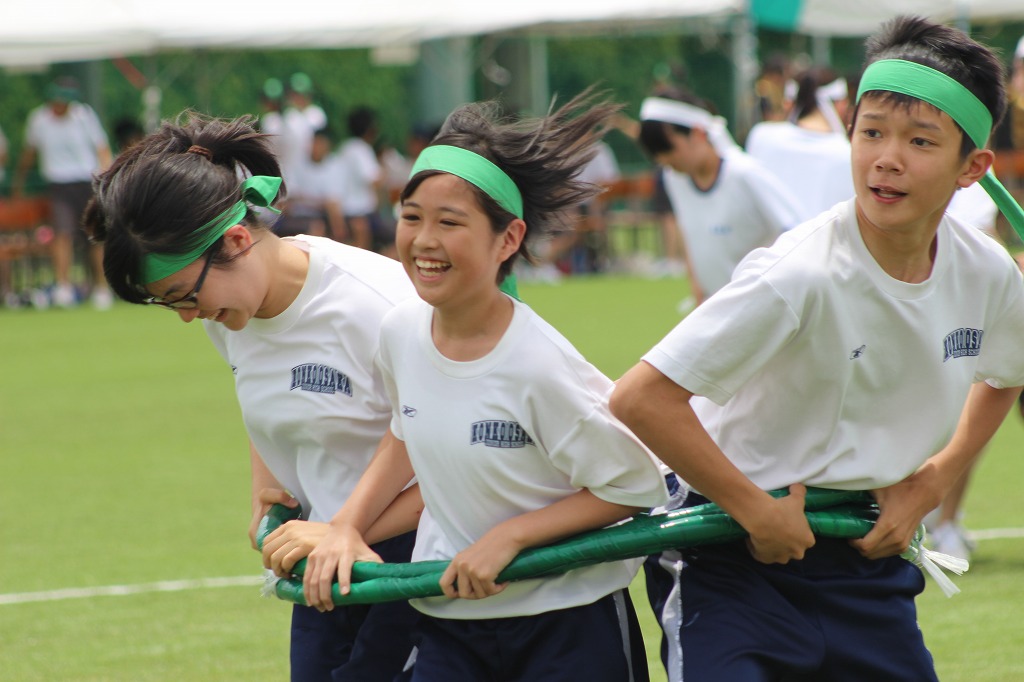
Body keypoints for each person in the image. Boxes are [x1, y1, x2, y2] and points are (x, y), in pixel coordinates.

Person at [610, 15, 1024, 682]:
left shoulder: (988, 272)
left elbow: (1007, 372)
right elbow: (641, 398)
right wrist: (751, 508)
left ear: (971, 167)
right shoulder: (798, 274)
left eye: (920, 141)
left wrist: (934, 480)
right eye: (871, 133)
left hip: (865, 558)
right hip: (732, 554)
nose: (887, 158)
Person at [302, 92, 669, 682]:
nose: (423, 240)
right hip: (450, 618)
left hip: (567, 621)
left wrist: (511, 536)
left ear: (507, 239)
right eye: (411, 216)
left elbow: (631, 486)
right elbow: (406, 432)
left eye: (449, 222)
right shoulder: (399, 331)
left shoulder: (537, 366)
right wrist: (345, 525)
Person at [82, 113, 419, 682]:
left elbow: (445, 446)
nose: (189, 316)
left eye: (183, 295)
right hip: (321, 556)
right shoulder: (228, 311)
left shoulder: (379, 306)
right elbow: (263, 391)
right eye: (169, 304)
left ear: (236, 239)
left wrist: (349, 528)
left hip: (416, 563)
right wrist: (266, 490)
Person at [638, 92, 802, 306]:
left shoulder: (745, 173)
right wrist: (698, 293)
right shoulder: (674, 177)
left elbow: (796, 233)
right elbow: (690, 235)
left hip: (764, 305)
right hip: (715, 307)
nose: (664, 160)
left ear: (697, 133)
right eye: (657, 155)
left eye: (668, 149)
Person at [14, 77, 113, 309]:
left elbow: (101, 148)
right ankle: (64, 287)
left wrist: (107, 177)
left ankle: (101, 288)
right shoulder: (39, 119)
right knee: (62, 234)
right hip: (59, 183)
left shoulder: (84, 116)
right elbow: (30, 151)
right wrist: (20, 181)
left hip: (87, 180)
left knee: (95, 235)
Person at [745, 66, 856, 222]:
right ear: (840, 103)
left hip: (768, 246)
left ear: (791, 101)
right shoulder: (847, 153)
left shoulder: (762, 137)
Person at [275, 126, 347, 241]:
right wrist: (317, 202)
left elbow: (332, 202)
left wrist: (306, 199)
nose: (316, 147)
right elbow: (287, 200)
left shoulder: (335, 166)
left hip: (321, 216)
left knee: (320, 225)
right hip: (296, 214)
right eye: (315, 143)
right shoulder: (297, 164)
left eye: (320, 143)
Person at [337, 106, 390, 255]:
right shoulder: (361, 149)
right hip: (360, 212)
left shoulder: (345, 147)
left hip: (346, 210)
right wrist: (385, 167)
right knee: (392, 240)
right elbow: (374, 179)